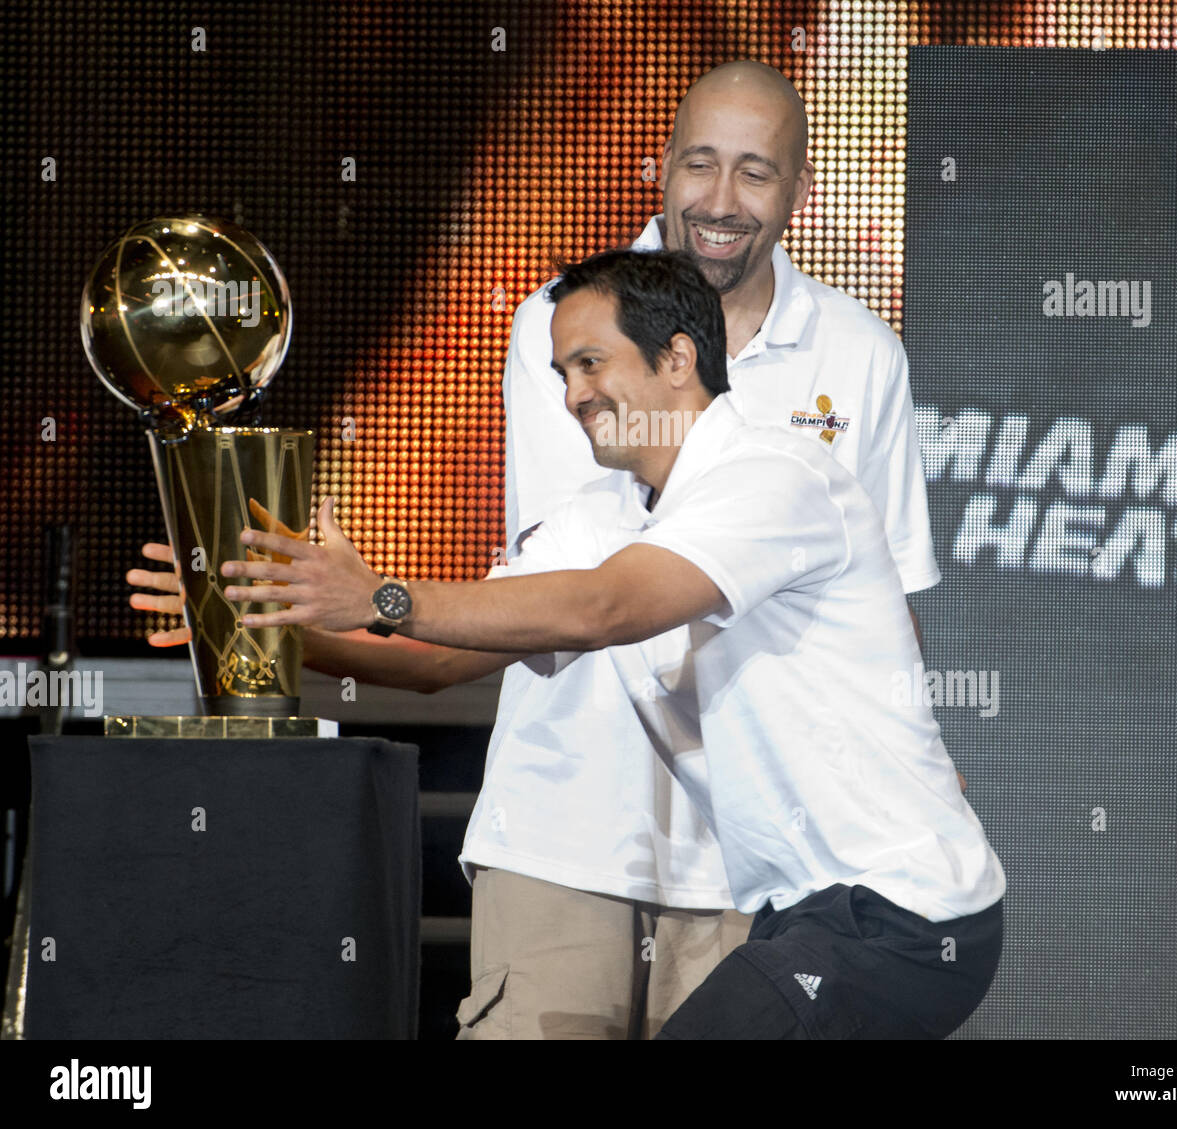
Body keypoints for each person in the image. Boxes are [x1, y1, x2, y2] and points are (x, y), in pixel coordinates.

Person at [128, 60, 956, 1039]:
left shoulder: (859, 354)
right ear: (656, 169)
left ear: (802, 192)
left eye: (755, 172)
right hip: (567, 835)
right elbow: (518, 615)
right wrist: (257, 613)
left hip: (763, 860)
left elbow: (867, 618)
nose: (720, 200)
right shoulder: (562, 327)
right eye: (699, 164)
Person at [217, 248, 1005, 1040]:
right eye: (561, 371)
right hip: (803, 915)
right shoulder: (599, 516)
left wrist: (382, 595)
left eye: (591, 363)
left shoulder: (777, 475)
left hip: (903, 910)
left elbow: (606, 606)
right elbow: (445, 659)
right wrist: (279, 627)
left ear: (677, 357)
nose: (572, 395)